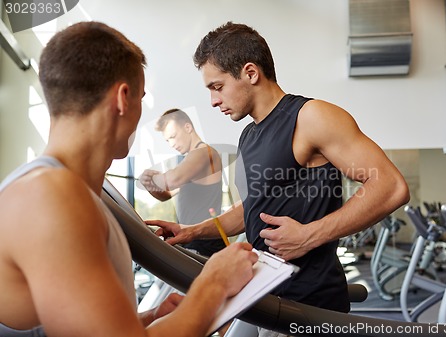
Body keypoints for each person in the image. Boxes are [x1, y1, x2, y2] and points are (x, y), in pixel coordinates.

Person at [147, 22, 410, 337]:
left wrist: (309, 235)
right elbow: (253, 209)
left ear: (251, 73)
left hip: (306, 301)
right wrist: (192, 232)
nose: (214, 101)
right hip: (261, 289)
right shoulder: (249, 134)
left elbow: (390, 186)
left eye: (217, 87)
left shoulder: (310, 117)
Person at [0, 21, 258, 337]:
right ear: (123, 98)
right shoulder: (51, 197)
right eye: (141, 98)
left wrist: (149, 319)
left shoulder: (64, 190)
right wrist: (214, 284)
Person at [139, 108, 226, 257]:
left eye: (173, 136)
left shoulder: (204, 152)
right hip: (191, 239)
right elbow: (166, 195)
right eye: (167, 140)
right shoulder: (190, 162)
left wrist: (152, 177)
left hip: (206, 245)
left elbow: (173, 179)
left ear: (187, 127)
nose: (171, 144)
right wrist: (149, 183)